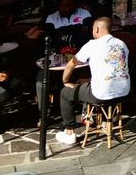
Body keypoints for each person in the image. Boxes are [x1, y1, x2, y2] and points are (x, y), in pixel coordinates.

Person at [54, 16, 129, 147]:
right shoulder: (121, 44)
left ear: (97, 29)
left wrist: (65, 81)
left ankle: (70, 133)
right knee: (86, 85)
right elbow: (112, 69)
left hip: (101, 94)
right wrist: (89, 80)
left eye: (93, 29)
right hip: (123, 91)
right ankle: (103, 121)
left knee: (65, 93)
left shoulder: (93, 44)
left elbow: (72, 63)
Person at [26, 0, 91, 43]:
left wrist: (58, 33)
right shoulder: (52, 17)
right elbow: (49, 35)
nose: (62, 8)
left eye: (67, 6)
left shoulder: (84, 13)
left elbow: (87, 30)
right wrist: (78, 28)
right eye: (61, 5)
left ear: (75, 5)